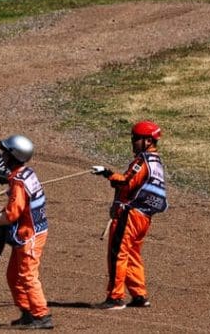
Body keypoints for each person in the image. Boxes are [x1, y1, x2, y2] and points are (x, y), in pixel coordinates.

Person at [0, 135, 52, 329]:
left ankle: (42, 316)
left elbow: (12, 214)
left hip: (30, 234)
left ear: (14, 156)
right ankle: (27, 313)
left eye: (5, 153)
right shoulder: (26, 173)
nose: (2, 156)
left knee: (27, 276)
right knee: (13, 275)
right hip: (31, 231)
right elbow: (18, 204)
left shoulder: (18, 180)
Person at [91, 120, 168, 310]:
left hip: (130, 216)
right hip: (144, 217)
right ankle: (139, 295)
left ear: (148, 141)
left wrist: (107, 173)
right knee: (133, 255)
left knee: (118, 254)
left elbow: (126, 183)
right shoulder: (157, 162)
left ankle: (115, 297)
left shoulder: (142, 161)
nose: (133, 141)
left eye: (136, 138)